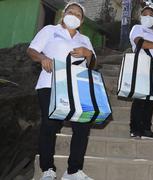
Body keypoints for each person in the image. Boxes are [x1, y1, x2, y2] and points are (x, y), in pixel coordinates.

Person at [27, 2, 96, 180]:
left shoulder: (85, 40)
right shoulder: (50, 30)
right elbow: (32, 50)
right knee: (49, 125)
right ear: (63, 14)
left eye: (78, 14)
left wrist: (88, 54)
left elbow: (93, 65)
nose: (74, 15)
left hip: (77, 87)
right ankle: (47, 169)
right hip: (50, 83)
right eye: (70, 11)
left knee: (82, 126)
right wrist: (42, 58)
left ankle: (73, 171)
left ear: (81, 21)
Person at [129, 6, 153, 140]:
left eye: (151, 15)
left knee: (150, 101)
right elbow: (139, 42)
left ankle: (146, 129)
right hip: (143, 66)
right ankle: (135, 129)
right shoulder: (137, 28)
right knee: (140, 99)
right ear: (141, 17)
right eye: (145, 14)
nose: (148, 16)